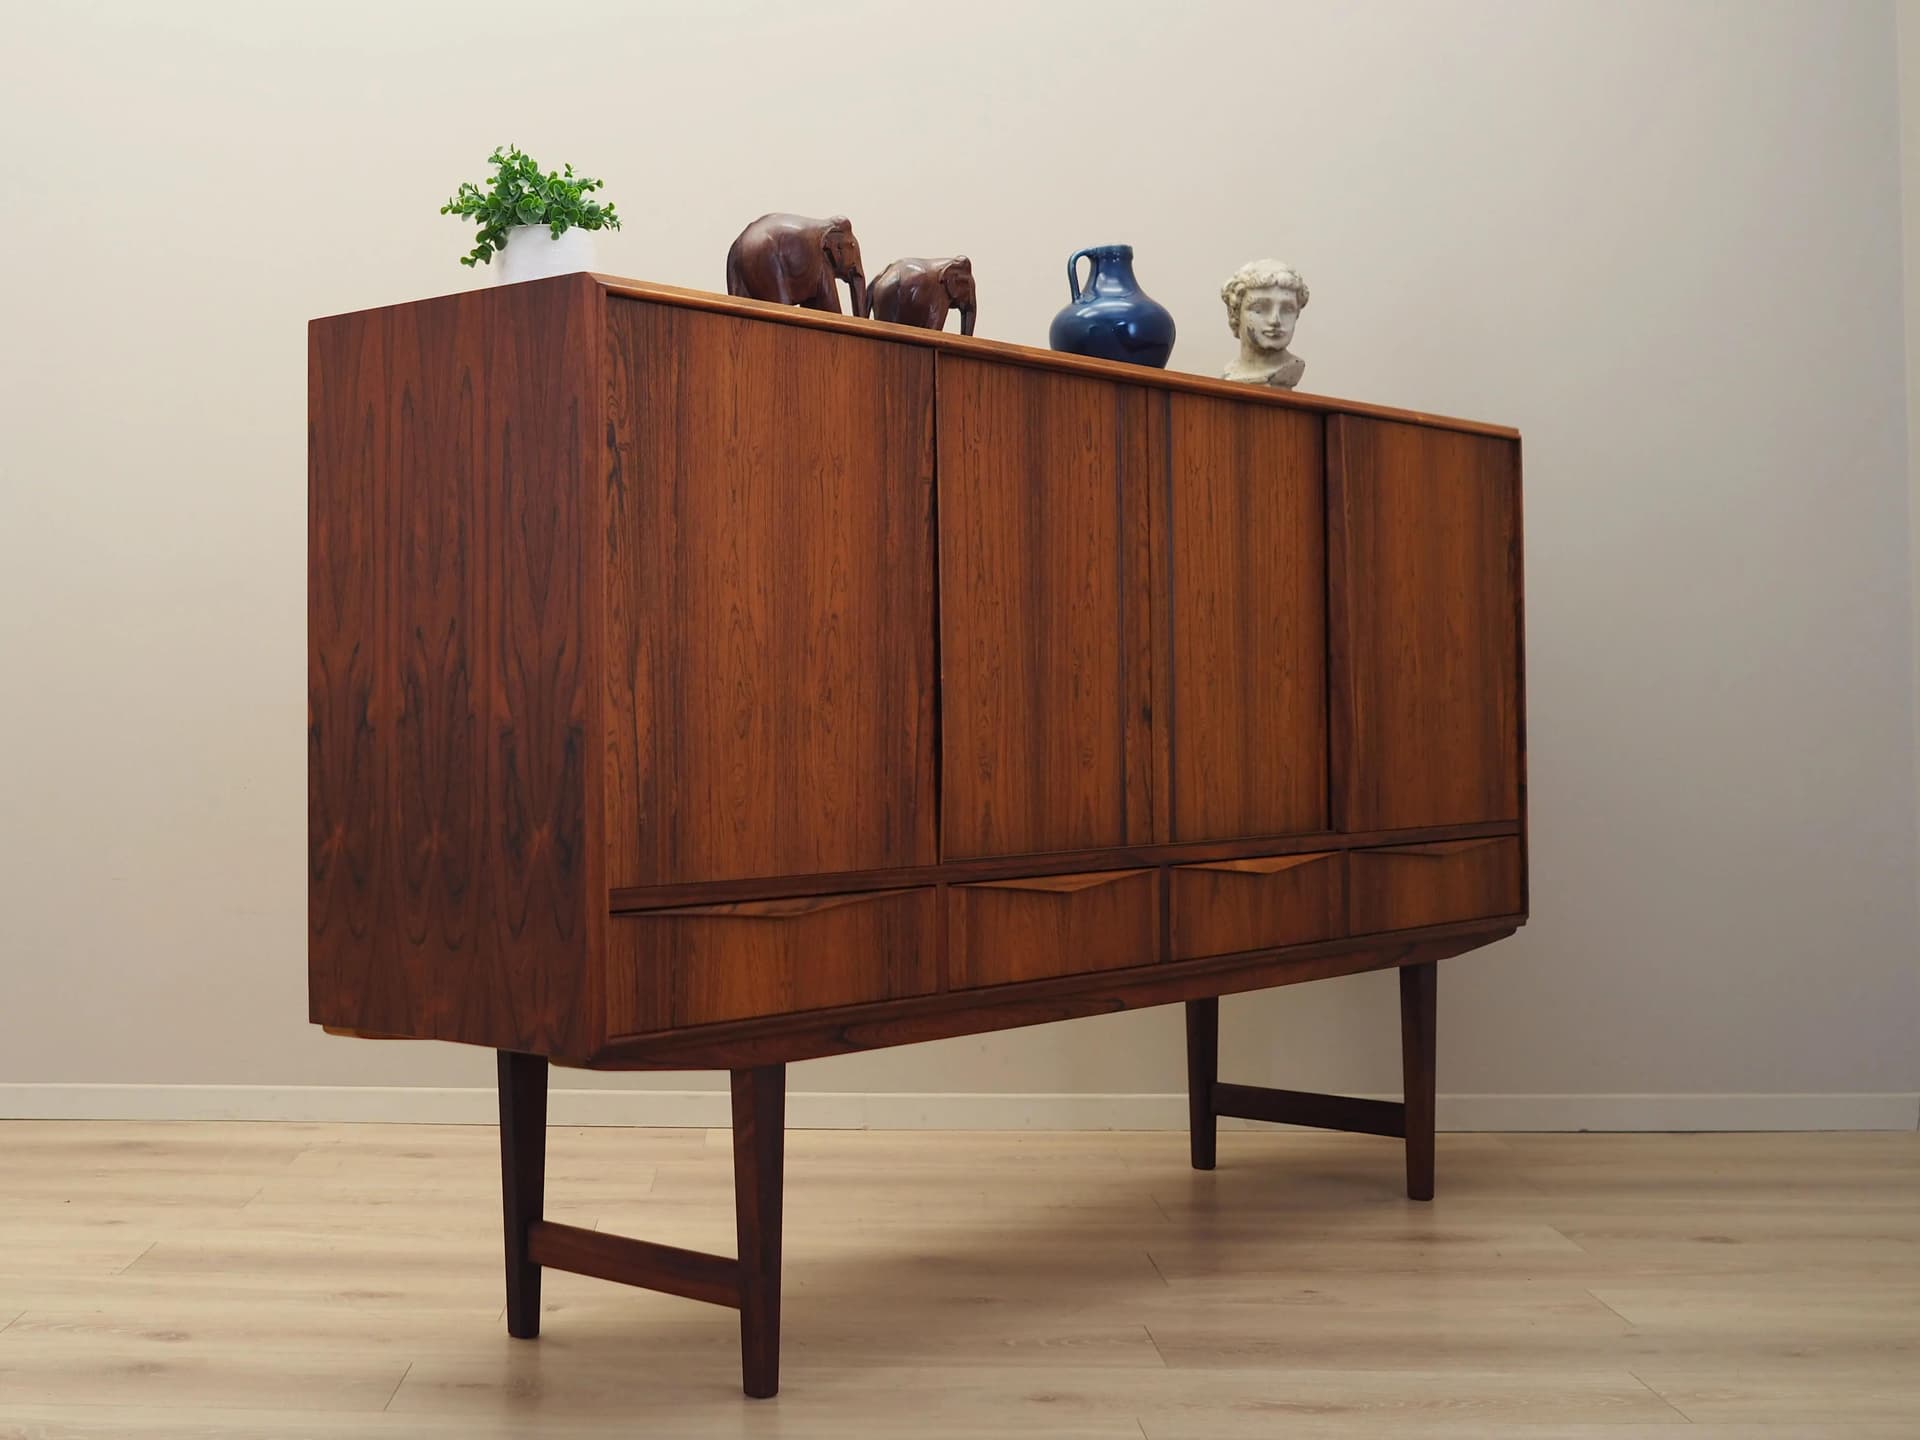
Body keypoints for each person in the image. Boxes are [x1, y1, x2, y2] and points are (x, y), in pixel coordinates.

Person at [1220, 260, 1309, 389]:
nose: (1275, 320)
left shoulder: (1292, 368)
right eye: (1260, 308)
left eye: (1287, 309)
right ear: (1236, 314)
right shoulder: (1231, 372)